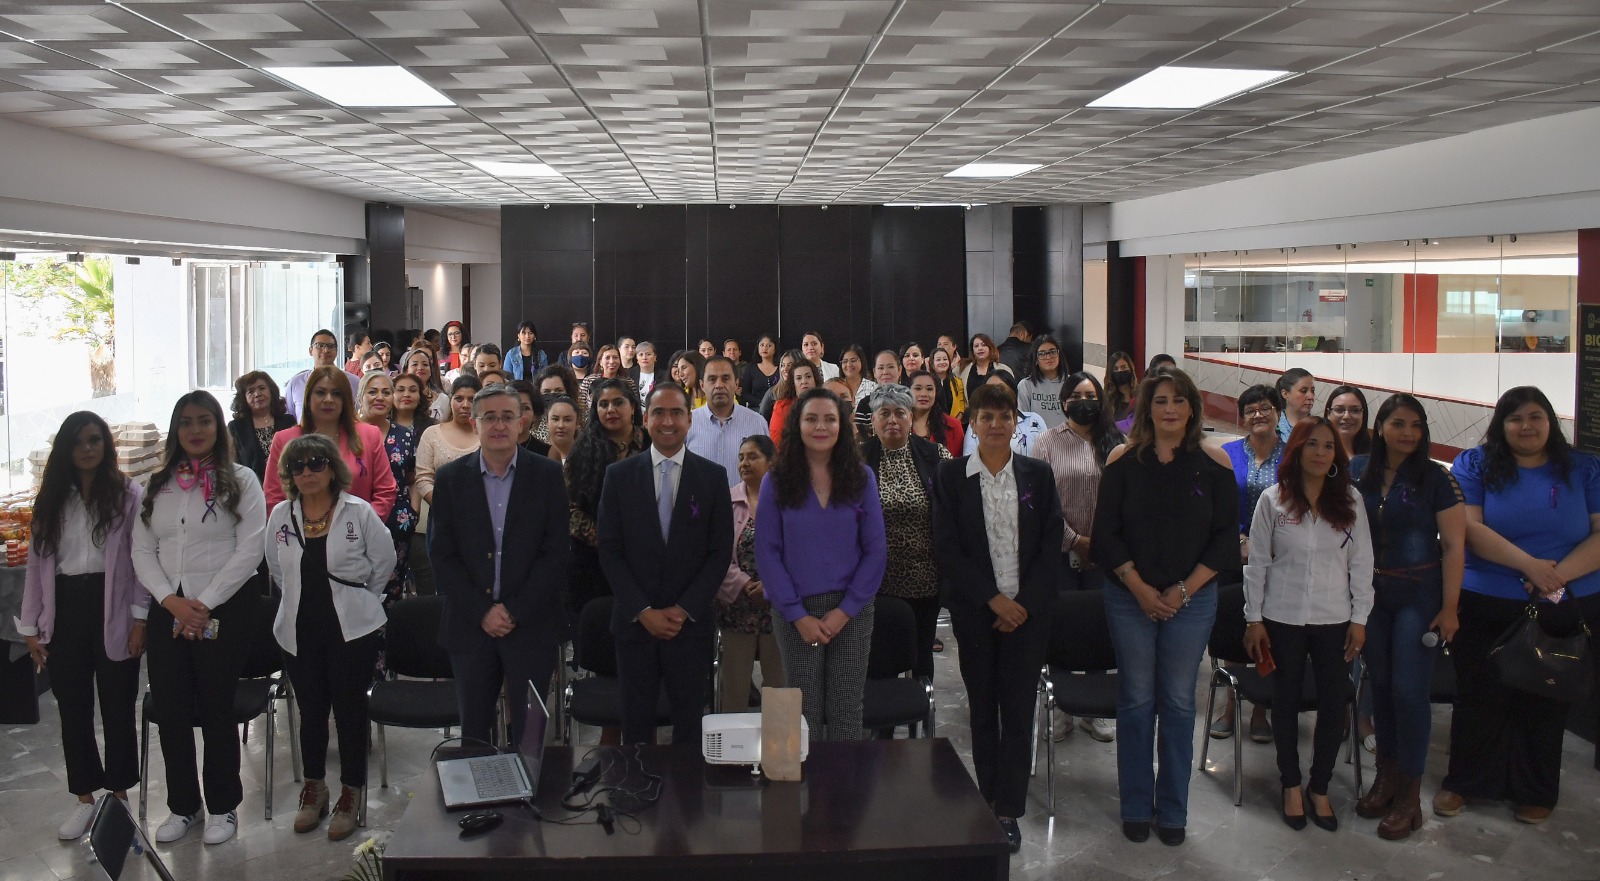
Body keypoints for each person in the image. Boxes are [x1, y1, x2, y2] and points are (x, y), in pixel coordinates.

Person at [1439, 386, 1600, 825]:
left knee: (1546, 697)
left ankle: (1536, 789)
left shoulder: (1584, 468)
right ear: (1500, 425)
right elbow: (1468, 528)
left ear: (1551, 421)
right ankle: (1466, 782)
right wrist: (1528, 564)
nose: (1526, 427)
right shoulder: (1475, 464)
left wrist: (1555, 576)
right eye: (1515, 419)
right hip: (1489, 593)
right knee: (1478, 694)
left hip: (1566, 599)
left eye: (1535, 417)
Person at [1092, 368, 1237, 846]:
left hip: (1190, 601)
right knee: (1135, 701)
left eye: (1178, 400)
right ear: (1145, 409)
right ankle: (1136, 805)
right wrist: (1138, 588)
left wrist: (1183, 591)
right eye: (1159, 401)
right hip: (1130, 597)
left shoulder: (1216, 464)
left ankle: (1173, 811)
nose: (1169, 409)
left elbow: (1223, 542)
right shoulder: (1121, 460)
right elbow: (1106, 536)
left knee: (1176, 703)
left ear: (1192, 407)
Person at [132, 391, 267, 846]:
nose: (195, 430)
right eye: (186, 422)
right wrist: (172, 601)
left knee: (215, 705)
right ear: (176, 430)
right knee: (170, 708)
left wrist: (203, 603)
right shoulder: (158, 483)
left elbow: (251, 548)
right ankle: (184, 806)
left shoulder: (242, 481)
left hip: (224, 610)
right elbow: (142, 549)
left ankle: (224, 807)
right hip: (169, 611)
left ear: (218, 427)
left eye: (204, 421)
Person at [934, 381, 1062, 854]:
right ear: (973, 423)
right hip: (977, 613)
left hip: (1028, 615)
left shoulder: (1038, 474)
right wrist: (993, 600)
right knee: (983, 708)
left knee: (1019, 708)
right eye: (985, 417)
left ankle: (1009, 808)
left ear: (1015, 422)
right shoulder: (951, 478)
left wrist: (1021, 603)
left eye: (1003, 416)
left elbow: (1051, 545)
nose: (994, 424)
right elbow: (948, 549)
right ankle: (986, 799)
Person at [19, 412, 146, 841]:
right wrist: (31, 626)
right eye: (78, 442)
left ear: (106, 446)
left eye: (95, 440)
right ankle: (85, 800)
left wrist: (140, 617)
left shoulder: (129, 496)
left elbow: (141, 562)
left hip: (113, 607)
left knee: (117, 706)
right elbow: (37, 567)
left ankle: (120, 798)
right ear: (65, 450)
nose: (87, 448)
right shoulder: (51, 499)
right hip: (65, 608)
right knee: (72, 709)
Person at [1243, 418, 1373, 833]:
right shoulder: (1273, 500)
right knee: (1286, 700)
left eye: (1328, 446)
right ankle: (1291, 784)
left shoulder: (1350, 501)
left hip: (1335, 618)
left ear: (1337, 454)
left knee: (1335, 702)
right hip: (1282, 617)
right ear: (1296, 450)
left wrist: (1360, 619)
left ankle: (1320, 786)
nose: (1320, 452)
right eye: (1311, 444)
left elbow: (1362, 563)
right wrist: (1253, 618)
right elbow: (1258, 563)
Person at [264, 434, 394, 841]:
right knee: (311, 713)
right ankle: (315, 788)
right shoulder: (281, 516)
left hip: (352, 631)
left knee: (350, 712)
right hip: (299, 631)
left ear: (332, 468)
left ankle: (350, 792)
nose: (306, 472)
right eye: (297, 467)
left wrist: (363, 601)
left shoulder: (359, 512)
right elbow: (275, 566)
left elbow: (384, 560)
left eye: (315, 463)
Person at [1350, 393, 1464, 840]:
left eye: (1416, 425)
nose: (1409, 433)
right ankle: (1387, 777)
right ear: (1381, 427)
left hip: (1420, 592)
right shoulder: (1361, 471)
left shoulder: (1436, 478)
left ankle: (1410, 797)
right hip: (1372, 592)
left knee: (1408, 691)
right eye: (1399, 424)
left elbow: (1455, 545)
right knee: (1378, 687)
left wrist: (1450, 607)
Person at [430, 385, 571, 747]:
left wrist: (513, 610)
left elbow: (555, 554)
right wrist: (483, 612)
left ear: (522, 422)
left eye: (507, 416)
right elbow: (442, 554)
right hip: (470, 624)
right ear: (475, 424)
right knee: (475, 732)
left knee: (530, 734)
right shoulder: (450, 479)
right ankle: (479, 803)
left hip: (530, 624)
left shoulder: (547, 475)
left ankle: (528, 800)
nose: (498, 425)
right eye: (489, 417)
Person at [598, 383, 734, 744]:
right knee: (636, 725)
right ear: (645, 419)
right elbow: (609, 551)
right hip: (634, 625)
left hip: (688, 626)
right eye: (659, 412)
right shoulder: (619, 476)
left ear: (690, 421)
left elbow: (719, 552)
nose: (668, 421)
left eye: (676, 413)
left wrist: (683, 608)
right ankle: (637, 794)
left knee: (689, 725)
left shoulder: (712, 477)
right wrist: (642, 610)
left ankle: (687, 799)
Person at [756, 388, 887, 741]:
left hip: (851, 610)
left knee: (846, 711)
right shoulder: (776, 481)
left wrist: (843, 612)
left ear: (842, 426)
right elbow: (767, 552)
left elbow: (875, 551)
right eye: (811, 418)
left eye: (830, 419)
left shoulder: (862, 479)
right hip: (795, 612)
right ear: (796, 425)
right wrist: (797, 615)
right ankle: (806, 795)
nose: (821, 426)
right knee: (804, 713)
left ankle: (845, 795)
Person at [1034, 371, 1124, 743]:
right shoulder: (1047, 442)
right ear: (1065, 401)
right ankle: (1061, 706)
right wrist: (1075, 540)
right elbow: (1041, 500)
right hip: (1060, 551)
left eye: (1092, 394)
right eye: (1077, 395)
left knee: (1103, 625)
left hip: (1107, 555)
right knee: (1063, 627)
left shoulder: (1116, 441)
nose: (1085, 401)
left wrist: (1098, 543)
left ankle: (1095, 710)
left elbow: (1123, 498)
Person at [863, 384, 949, 683]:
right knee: (880, 654)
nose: (892, 420)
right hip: (877, 579)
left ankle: (922, 718)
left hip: (926, 576)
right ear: (872, 420)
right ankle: (881, 721)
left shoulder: (935, 455)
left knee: (922, 653)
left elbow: (952, 511)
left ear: (911, 418)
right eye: (884, 413)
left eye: (900, 413)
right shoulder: (858, 459)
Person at [1213, 385, 1285, 742]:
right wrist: (1239, 541)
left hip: (1279, 561)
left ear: (1278, 413)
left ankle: (1260, 710)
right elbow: (1216, 508)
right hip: (1232, 557)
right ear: (1242, 417)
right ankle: (1229, 706)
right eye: (1251, 409)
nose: (1259, 414)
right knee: (1232, 630)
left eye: (1266, 408)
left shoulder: (1292, 456)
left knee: (1267, 632)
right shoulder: (1226, 454)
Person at [564, 379, 647, 637]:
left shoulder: (652, 446)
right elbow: (569, 509)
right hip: (593, 561)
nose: (610, 409)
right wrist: (604, 539)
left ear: (632, 407)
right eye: (603, 404)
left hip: (644, 559)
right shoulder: (583, 449)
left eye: (618, 402)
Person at [263, 367, 396, 522]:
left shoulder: (369, 435)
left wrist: (363, 527)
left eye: (336, 393)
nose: (328, 399)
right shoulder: (284, 439)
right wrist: (298, 532)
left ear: (346, 400)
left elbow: (385, 491)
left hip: (358, 535)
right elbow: (273, 497)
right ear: (308, 398)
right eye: (320, 392)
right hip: (300, 537)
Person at [717, 436, 785, 712]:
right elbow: (716, 553)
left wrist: (771, 586)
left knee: (780, 688)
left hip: (780, 608)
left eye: (753, 456)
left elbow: (799, 553)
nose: (745, 463)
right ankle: (732, 755)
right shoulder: (726, 501)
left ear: (772, 462)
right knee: (734, 687)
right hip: (736, 608)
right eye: (741, 457)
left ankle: (781, 752)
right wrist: (744, 584)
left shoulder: (789, 500)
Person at [411, 376, 483, 597]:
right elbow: (422, 478)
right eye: (459, 398)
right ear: (450, 401)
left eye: (472, 399)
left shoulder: (487, 434)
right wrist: (446, 506)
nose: (465, 405)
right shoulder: (432, 434)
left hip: (482, 519)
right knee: (446, 584)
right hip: (443, 519)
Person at [384, 372, 433, 603]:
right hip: (385, 506)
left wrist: (414, 510)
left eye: (412, 390)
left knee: (421, 565)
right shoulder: (379, 426)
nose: (406, 394)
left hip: (420, 502)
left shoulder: (430, 428)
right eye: (400, 389)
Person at [687, 355, 769, 483]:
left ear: (736, 384)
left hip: (745, 503)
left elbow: (767, 473)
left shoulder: (757, 423)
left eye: (726, 379)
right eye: (712, 379)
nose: (719, 385)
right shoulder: (688, 423)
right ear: (702, 385)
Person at [228, 371, 296, 482]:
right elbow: (233, 465)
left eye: (262, 388)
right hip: (251, 488)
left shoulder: (288, 421)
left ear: (271, 391)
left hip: (287, 486)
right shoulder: (236, 427)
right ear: (244, 398)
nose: (257, 394)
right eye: (250, 391)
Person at [962, 373, 1047, 457]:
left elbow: (1047, 454)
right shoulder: (977, 422)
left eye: (1000, 388)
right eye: (989, 389)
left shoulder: (1034, 419)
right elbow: (969, 456)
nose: (996, 425)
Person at [285, 329, 361, 420]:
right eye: (320, 345)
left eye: (330, 346)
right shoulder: (295, 383)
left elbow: (359, 415)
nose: (325, 350)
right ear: (310, 351)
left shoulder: (354, 381)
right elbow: (290, 418)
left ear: (336, 351)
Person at [1016, 334, 1067, 429]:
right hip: (1036, 440)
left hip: (1066, 440)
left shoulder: (1071, 383)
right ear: (1035, 359)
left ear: (1059, 355)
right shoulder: (1026, 385)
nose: (1048, 357)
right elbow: (1022, 420)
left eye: (1052, 352)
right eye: (1042, 354)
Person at [907, 369, 963, 455]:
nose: (923, 394)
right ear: (908, 392)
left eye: (929, 389)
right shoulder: (899, 425)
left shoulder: (953, 426)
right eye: (918, 388)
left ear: (936, 393)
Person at [769, 358, 820, 446]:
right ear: (793, 383)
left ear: (815, 380)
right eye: (798, 378)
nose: (804, 382)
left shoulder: (826, 404)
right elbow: (776, 444)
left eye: (808, 376)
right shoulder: (782, 407)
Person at [854, 350, 902, 435]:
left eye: (890, 367)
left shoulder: (909, 401)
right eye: (880, 368)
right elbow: (861, 437)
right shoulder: (865, 404)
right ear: (874, 373)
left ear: (899, 370)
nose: (885, 372)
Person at [533, 364, 582, 443]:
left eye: (558, 391)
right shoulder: (533, 421)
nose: (552, 395)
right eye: (546, 392)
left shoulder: (582, 418)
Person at [1325, 385, 1372, 458]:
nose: (1346, 416)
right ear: (1328, 413)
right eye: (1339, 410)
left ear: (1363, 415)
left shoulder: (1374, 455)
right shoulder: (1319, 452)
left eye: (1355, 410)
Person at [401, 346, 446, 421]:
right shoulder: (397, 397)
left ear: (431, 371)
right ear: (406, 370)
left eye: (425, 365)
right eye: (415, 364)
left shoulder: (443, 399)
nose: (420, 368)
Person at [759, 349, 803, 420]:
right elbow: (762, 418)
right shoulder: (773, 392)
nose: (785, 369)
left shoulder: (806, 390)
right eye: (782, 365)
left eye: (789, 365)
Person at [739, 334, 780, 409]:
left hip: (777, 408)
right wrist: (763, 404)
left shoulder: (782, 368)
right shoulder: (751, 368)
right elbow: (745, 394)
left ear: (775, 349)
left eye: (769, 345)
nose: (765, 348)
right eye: (762, 345)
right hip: (756, 409)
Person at [510, 379, 550, 455]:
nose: (518, 414)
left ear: (535, 414)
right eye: (512, 407)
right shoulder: (490, 449)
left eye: (525, 408)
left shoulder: (548, 452)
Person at [1276, 367, 1316, 441]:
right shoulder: (1274, 425)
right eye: (1303, 391)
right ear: (1285, 394)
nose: (1310, 396)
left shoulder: (1318, 427)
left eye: (1312, 391)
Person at [929, 346, 967, 420]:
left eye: (945, 359)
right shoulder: (927, 383)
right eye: (938, 360)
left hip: (954, 423)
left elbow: (961, 405)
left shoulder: (957, 382)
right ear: (932, 363)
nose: (942, 362)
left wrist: (956, 421)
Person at [1104, 351, 1137, 431]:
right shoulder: (1106, 399)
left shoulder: (1141, 394)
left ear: (1130, 369)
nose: (1120, 371)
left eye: (1123, 367)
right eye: (1115, 369)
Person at [544, 397, 580, 464]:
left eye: (567, 420)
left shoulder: (587, 456)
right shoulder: (538, 453)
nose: (561, 425)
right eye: (555, 419)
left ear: (577, 423)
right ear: (547, 422)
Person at [838, 344, 874, 409]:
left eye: (853, 360)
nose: (849, 365)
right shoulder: (837, 387)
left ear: (862, 361)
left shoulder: (873, 388)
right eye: (845, 361)